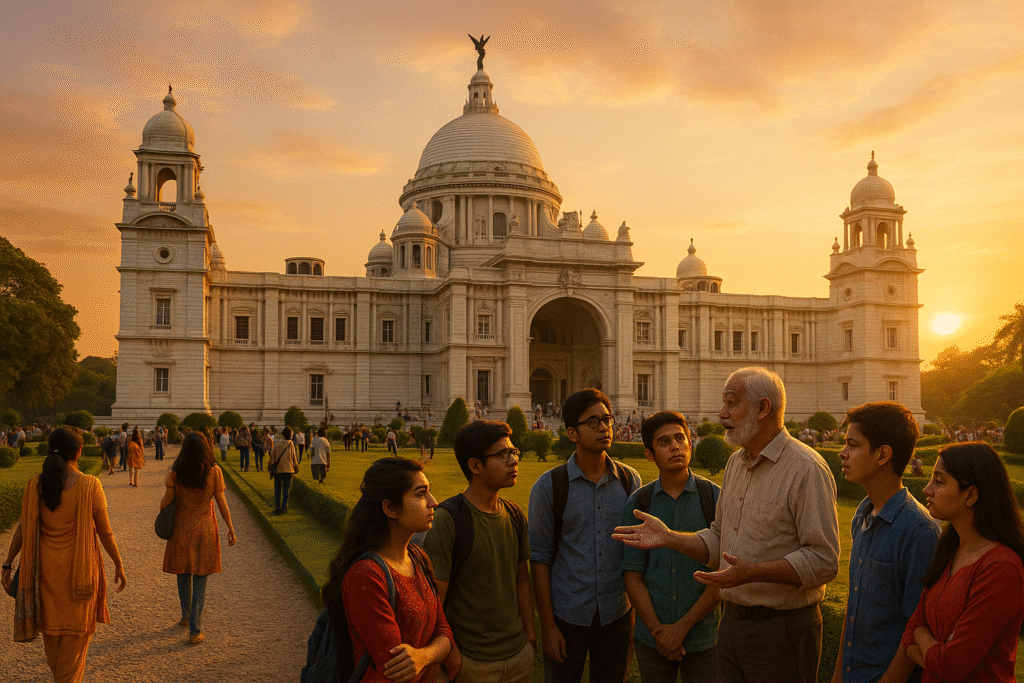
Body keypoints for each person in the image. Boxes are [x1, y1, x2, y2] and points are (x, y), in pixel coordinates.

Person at [614, 367, 840, 683]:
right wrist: (670, 538)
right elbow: (721, 537)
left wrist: (754, 572)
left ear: (763, 408)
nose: (722, 414)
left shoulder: (806, 469)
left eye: (731, 403)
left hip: (781, 627)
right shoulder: (737, 463)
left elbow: (823, 561)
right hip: (732, 624)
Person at [529, 388, 642, 683]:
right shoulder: (549, 487)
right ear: (571, 433)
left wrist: (633, 616)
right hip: (568, 616)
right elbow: (539, 559)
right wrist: (548, 627)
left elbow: (635, 554)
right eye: (592, 422)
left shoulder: (631, 482)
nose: (604, 427)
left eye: (607, 419)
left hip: (616, 614)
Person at [2, 426, 128, 682]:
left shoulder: (35, 485)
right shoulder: (89, 485)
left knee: (56, 655)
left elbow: (23, 530)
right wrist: (118, 563)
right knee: (70, 661)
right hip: (78, 580)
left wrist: (7, 563)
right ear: (79, 452)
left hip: (45, 579)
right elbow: (106, 534)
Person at [320, 457, 462, 682]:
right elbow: (396, 668)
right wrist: (434, 653)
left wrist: (424, 656)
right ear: (390, 508)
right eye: (420, 493)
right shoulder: (366, 575)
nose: (433, 502)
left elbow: (444, 631)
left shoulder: (417, 557)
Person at [892, 443, 1024, 682]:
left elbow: (950, 665)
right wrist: (932, 647)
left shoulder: (1001, 568)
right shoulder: (949, 549)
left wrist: (923, 637)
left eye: (939, 482)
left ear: (971, 495)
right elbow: (911, 629)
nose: (927, 490)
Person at [832, 402, 939, 683]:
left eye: (852, 445)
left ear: (883, 454)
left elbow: (915, 629)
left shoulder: (918, 531)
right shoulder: (862, 514)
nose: (842, 453)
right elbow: (853, 606)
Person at [424, 420, 535, 682]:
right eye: (502, 455)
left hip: (518, 656)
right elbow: (434, 603)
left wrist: (530, 635)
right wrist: (450, 658)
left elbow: (521, 580)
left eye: (513, 452)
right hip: (471, 663)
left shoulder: (515, 515)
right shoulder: (448, 521)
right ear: (475, 465)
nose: (513, 461)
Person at [622, 411, 721, 683]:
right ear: (649, 454)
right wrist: (659, 632)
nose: (675, 446)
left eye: (680, 438)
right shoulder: (639, 504)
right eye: (664, 442)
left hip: (703, 638)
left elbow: (722, 578)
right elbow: (633, 577)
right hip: (651, 639)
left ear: (691, 443)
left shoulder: (714, 498)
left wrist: (681, 629)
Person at [159, 432, 237, 645]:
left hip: (182, 529)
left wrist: (164, 514)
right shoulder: (214, 472)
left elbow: (165, 503)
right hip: (205, 530)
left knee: (183, 572)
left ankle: (185, 616)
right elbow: (221, 502)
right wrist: (230, 527)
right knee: (201, 577)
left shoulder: (176, 473)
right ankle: (196, 629)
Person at [269, 427, 299, 514]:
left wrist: (271, 468)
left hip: (278, 470)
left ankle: (277, 507)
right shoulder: (291, 444)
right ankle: (284, 507)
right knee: (286, 490)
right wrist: (296, 467)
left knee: (277, 489)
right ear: (290, 435)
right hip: (289, 469)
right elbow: (294, 457)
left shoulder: (277, 444)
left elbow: (272, 458)